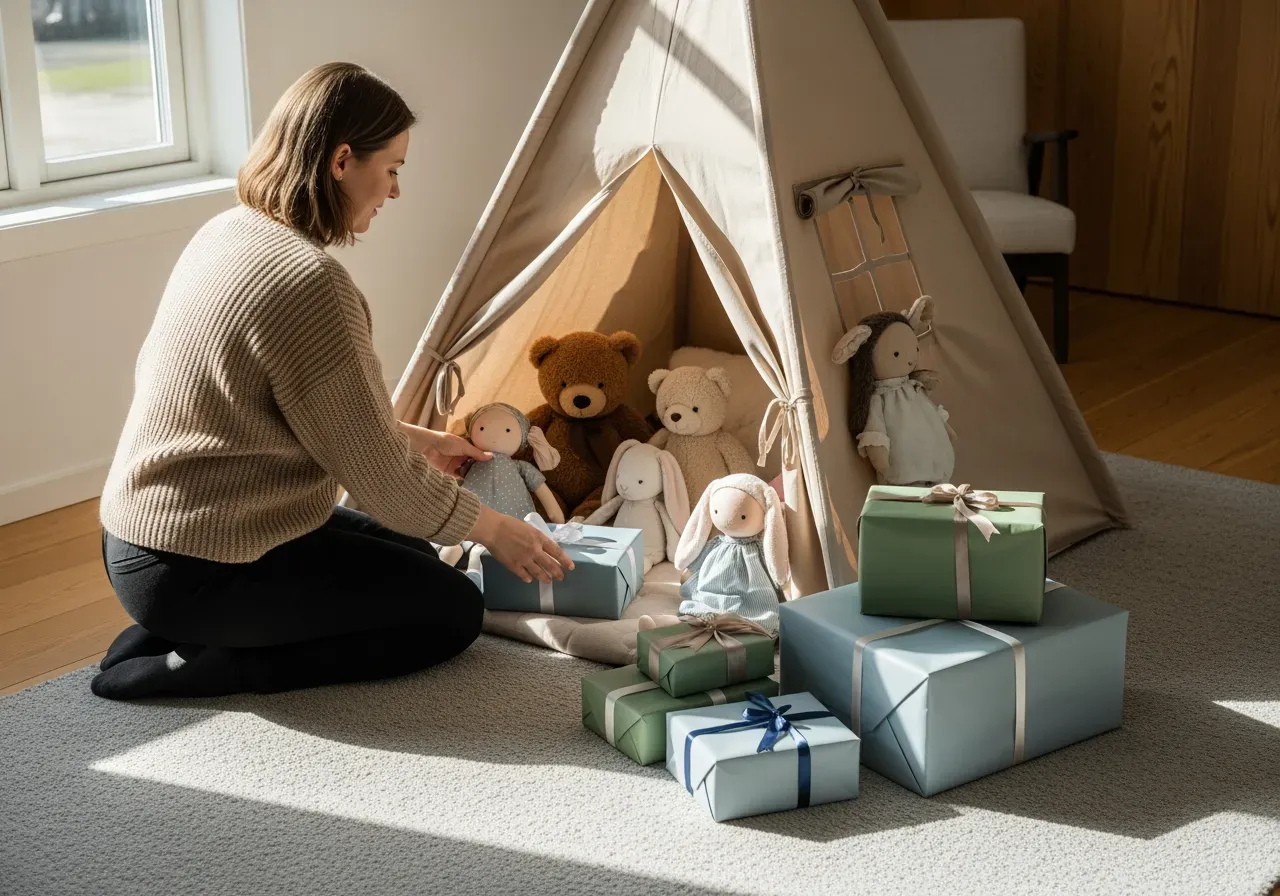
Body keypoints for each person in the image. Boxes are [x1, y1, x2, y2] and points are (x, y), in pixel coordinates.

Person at [93, 62, 572, 700]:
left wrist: (415, 439)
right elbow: (384, 483)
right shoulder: (311, 283)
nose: (396, 191)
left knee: (421, 556)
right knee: (451, 611)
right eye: (393, 168)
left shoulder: (230, 229)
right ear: (343, 160)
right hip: (200, 562)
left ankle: (183, 629)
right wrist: (496, 528)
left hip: (147, 538)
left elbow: (270, 408)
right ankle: (206, 666)